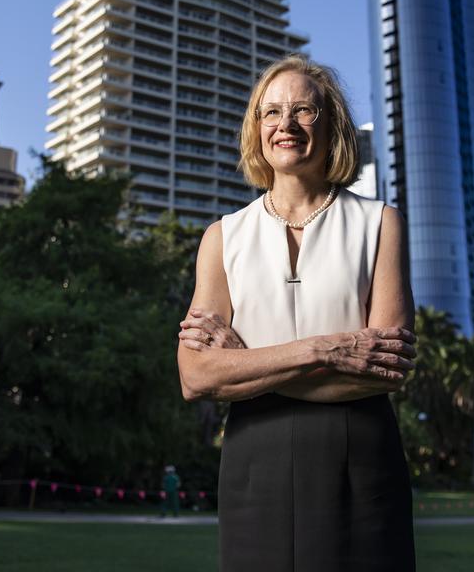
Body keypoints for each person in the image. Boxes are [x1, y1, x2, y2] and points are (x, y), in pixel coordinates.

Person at [176, 54, 418, 571]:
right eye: (271, 112)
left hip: (361, 459)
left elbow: (388, 367)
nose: (285, 124)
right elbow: (195, 376)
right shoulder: (222, 237)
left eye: (304, 110)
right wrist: (325, 347)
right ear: (256, 128)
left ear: (331, 124)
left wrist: (246, 367)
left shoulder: (381, 223)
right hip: (252, 461)